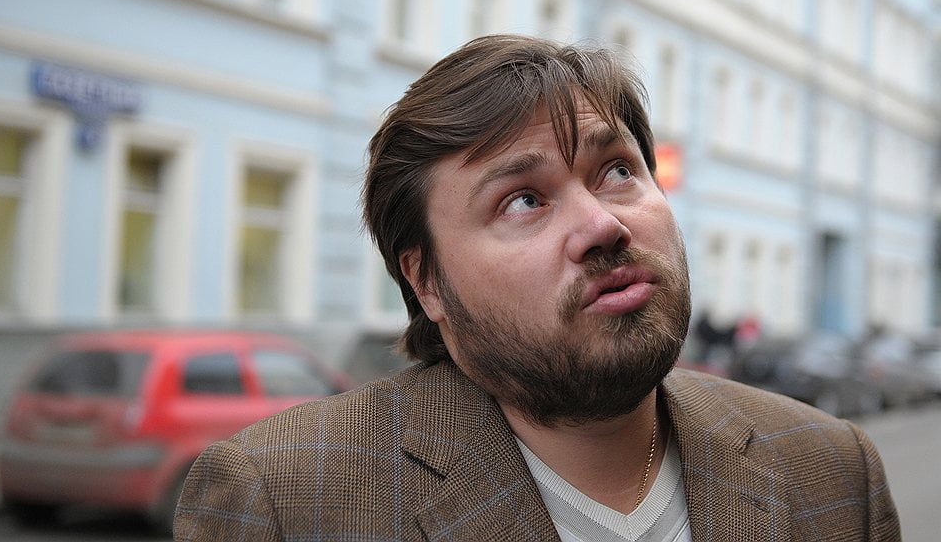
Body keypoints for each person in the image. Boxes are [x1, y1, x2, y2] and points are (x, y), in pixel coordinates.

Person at [174, 35, 899, 541]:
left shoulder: (832, 469)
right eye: (523, 200)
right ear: (427, 281)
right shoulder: (285, 500)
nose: (602, 225)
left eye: (617, 170)